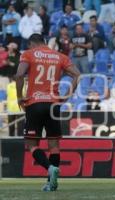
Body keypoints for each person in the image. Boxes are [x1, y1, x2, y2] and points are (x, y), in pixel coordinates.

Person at [15, 33, 80, 191]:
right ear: (44, 42)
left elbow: (19, 75)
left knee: (31, 144)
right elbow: (77, 75)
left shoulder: (28, 54)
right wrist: (67, 95)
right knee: (54, 145)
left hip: (35, 103)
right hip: (53, 104)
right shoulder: (59, 56)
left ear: (31, 44)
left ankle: (50, 168)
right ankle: (52, 184)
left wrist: (19, 97)